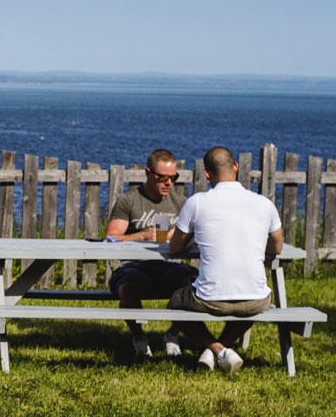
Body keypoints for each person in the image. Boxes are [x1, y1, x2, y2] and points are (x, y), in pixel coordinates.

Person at [167, 146, 284, 373]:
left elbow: (174, 248)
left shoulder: (197, 202)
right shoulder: (264, 203)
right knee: (251, 304)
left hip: (209, 299)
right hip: (257, 299)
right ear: (236, 167)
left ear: (207, 174)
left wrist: (193, 239)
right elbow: (277, 246)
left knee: (174, 304)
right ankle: (221, 349)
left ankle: (216, 349)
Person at [104, 148, 197, 360]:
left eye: (173, 178)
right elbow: (111, 237)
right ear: (148, 173)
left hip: (169, 265)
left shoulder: (180, 203)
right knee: (128, 288)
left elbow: (194, 236)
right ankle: (139, 338)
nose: (169, 183)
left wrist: (180, 238)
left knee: (194, 282)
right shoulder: (130, 201)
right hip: (135, 266)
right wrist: (141, 236)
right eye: (163, 177)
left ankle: (173, 333)